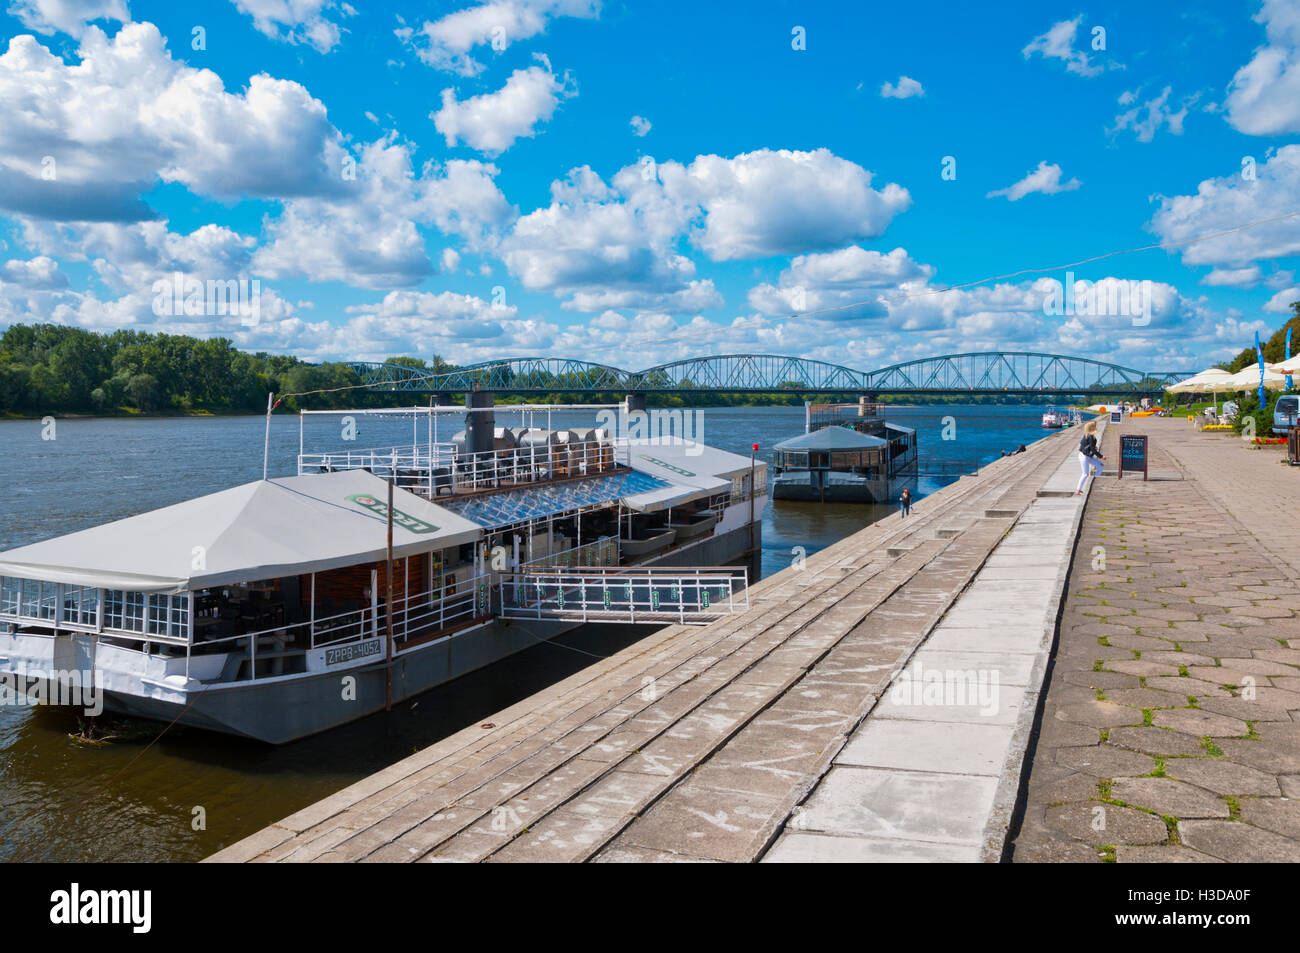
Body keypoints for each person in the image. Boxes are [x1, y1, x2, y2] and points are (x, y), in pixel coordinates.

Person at [1076, 420, 1104, 495]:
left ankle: (1094, 481)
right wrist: (1101, 456)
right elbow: (1092, 448)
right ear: (1092, 428)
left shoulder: (1089, 435)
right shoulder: (1090, 436)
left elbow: (1092, 448)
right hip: (1084, 457)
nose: (1097, 427)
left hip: (1087, 456)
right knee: (1085, 474)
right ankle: (1078, 490)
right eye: (1095, 426)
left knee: (1101, 466)